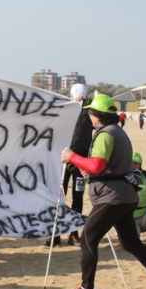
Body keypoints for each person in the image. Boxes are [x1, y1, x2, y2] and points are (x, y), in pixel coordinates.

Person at [59, 94, 146, 289]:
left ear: (98, 115)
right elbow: (105, 166)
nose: (88, 116)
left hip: (112, 197)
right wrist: (87, 170)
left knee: (88, 238)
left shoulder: (105, 134)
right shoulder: (118, 132)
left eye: (90, 112)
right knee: (131, 243)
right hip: (124, 195)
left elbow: (97, 165)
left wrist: (72, 157)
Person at [43, 83, 92, 247]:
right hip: (63, 158)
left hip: (81, 161)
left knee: (78, 197)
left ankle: (74, 233)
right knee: (59, 197)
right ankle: (55, 234)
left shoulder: (91, 112)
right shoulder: (64, 110)